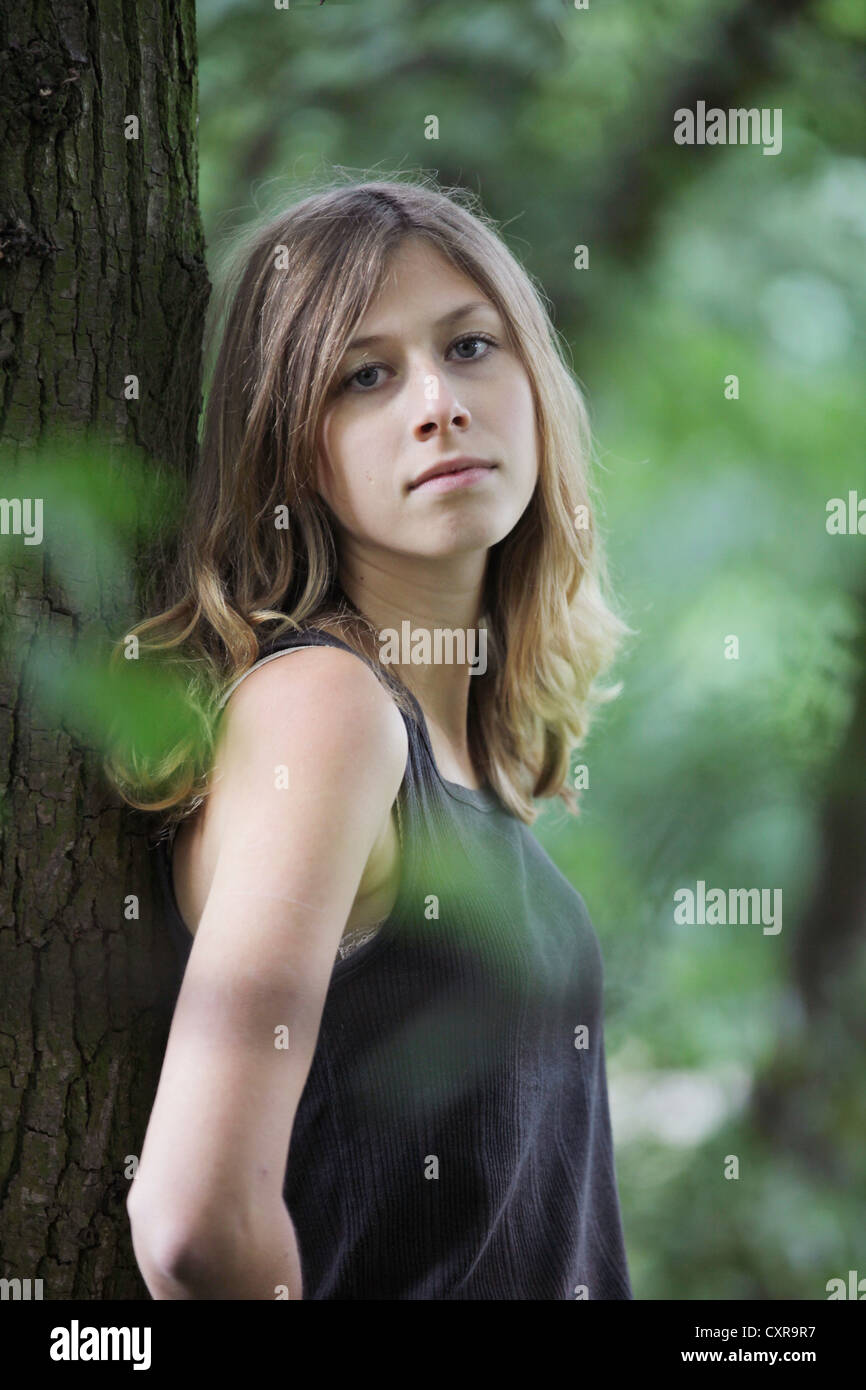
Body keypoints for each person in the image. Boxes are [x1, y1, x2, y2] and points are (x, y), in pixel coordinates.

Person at [106, 175, 636, 1300]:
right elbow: (193, 1216)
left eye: (471, 346)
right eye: (365, 375)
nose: (437, 401)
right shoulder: (327, 712)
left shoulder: (460, 758)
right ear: (291, 449)